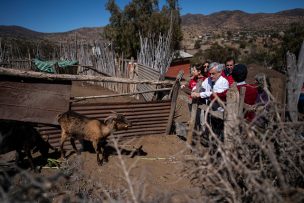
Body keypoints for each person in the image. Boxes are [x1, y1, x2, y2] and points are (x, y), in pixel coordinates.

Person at [181, 63, 205, 129]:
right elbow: (189, 87)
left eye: (194, 70)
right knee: (194, 118)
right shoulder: (193, 79)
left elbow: (200, 92)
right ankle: (196, 132)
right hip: (191, 102)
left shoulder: (204, 80)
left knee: (202, 120)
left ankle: (203, 134)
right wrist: (185, 87)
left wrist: (189, 91)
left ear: (199, 71)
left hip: (201, 104)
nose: (192, 72)